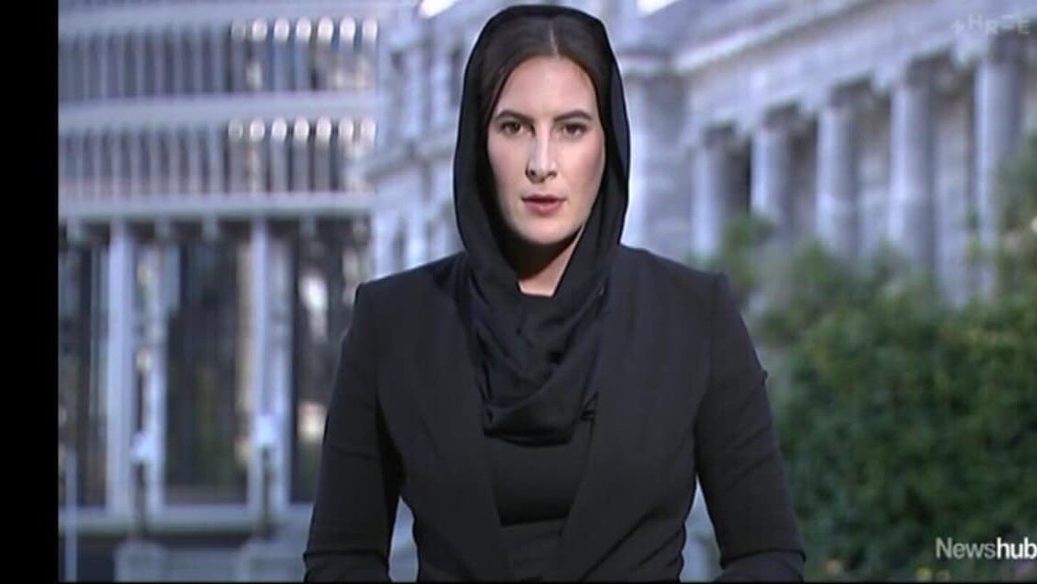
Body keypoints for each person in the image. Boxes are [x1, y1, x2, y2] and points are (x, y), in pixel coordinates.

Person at [303, 3, 805, 581]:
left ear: (608, 141)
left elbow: (767, 555)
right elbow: (340, 559)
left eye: (571, 129)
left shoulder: (694, 317)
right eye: (514, 127)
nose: (542, 164)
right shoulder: (394, 323)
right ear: (478, 142)